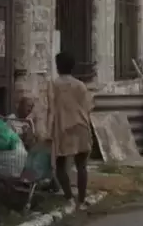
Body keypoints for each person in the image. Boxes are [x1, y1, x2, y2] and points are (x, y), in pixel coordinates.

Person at [50, 52, 94, 209]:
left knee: (60, 164)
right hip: (81, 126)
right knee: (81, 165)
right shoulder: (80, 86)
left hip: (62, 128)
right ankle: (81, 201)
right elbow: (88, 107)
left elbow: (49, 108)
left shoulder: (53, 85)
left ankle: (69, 197)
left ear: (57, 66)